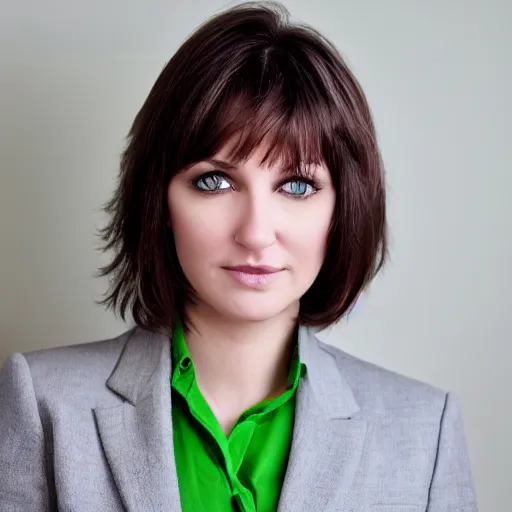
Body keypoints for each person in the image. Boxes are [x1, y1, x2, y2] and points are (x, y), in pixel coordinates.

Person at [0, 2, 478, 511]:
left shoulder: (425, 429)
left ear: (343, 209)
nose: (255, 233)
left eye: (297, 185)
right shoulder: (44, 404)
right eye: (215, 181)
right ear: (160, 200)